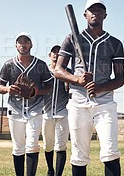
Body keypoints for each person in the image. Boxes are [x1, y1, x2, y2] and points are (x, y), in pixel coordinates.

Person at [54, 0, 124, 176]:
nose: (96, 13)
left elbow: (120, 79)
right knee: (79, 155)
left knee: (110, 151)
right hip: (78, 102)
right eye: (92, 10)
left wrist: (100, 87)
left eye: (100, 10)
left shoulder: (115, 43)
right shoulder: (72, 38)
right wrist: (77, 80)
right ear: (85, 15)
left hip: (105, 104)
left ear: (105, 15)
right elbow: (58, 70)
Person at [0, 32, 53, 176]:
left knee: (32, 145)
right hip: (15, 109)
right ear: (16, 45)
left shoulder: (40, 65)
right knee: (18, 147)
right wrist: (8, 89)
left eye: (26, 41)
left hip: (35, 108)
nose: (23, 44)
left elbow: (49, 87)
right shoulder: (9, 65)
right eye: (20, 42)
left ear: (31, 44)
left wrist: (36, 91)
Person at [42, 45, 71, 176]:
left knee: (61, 145)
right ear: (49, 55)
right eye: (54, 52)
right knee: (48, 145)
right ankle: (50, 170)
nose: (56, 54)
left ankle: (58, 174)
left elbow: (73, 92)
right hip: (46, 112)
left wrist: (69, 87)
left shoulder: (67, 71)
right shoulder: (43, 71)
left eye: (59, 53)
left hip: (62, 112)